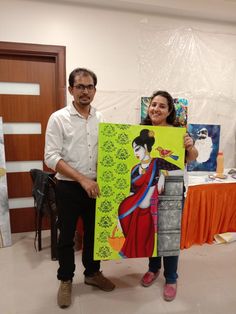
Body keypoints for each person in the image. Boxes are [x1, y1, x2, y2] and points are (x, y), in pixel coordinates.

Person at [44, 67, 115, 309]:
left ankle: (92, 273)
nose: (85, 91)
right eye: (80, 87)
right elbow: (51, 157)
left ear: (95, 89)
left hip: (97, 186)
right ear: (70, 89)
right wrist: (82, 179)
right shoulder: (58, 118)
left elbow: (107, 153)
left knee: (95, 234)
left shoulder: (101, 118)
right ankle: (65, 279)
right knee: (67, 237)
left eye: (90, 87)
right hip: (68, 187)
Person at [140, 90, 198, 302]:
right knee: (152, 229)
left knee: (169, 233)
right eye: (153, 104)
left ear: (169, 111)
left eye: (162, 106)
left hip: (173, 187)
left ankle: (171, 277)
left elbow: (191, 158)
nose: (156, 108)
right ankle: (153, 268)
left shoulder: (177, 132)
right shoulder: (141, 131)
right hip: (149, 187)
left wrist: (189, 146)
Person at [118, 129, 181, 258]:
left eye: (137, 149)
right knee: (132, 240)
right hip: (133, 210)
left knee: (146, 241)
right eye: (133, 150)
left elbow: (180, 170)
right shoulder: (135, 169)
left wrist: (163, 175)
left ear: (146, 147)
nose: (135, 153)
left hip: (149, 211)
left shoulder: (157, 163)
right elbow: (132, 191)